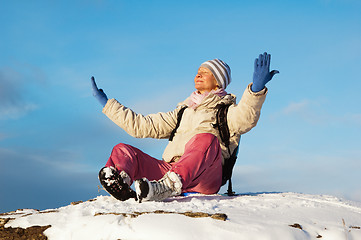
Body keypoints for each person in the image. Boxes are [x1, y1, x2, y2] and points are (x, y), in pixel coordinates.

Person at [91, 52, 279, 202]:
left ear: (218, 81)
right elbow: (142, 125)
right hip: (171, 170)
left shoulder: (225, 110)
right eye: (198, 71)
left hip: (205, 176)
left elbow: (245, 118)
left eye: (206, 72)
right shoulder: (183, 111)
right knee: (122, 150)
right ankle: (119, 181)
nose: (198, 74)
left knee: (206, 139)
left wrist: (255, 91)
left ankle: (167, 186)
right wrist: (108, 104)